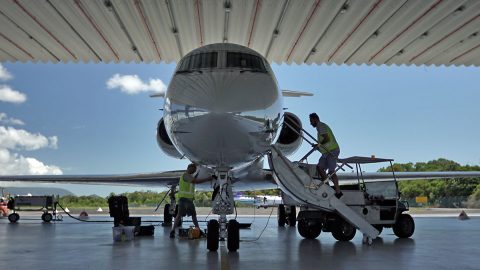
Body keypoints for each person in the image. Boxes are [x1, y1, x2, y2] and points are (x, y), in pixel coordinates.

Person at [170, 163, 214, 238]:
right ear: (189, 168)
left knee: (191, 216)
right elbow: (196, 181)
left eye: (195, 170)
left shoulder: (188, 176)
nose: (194, 171)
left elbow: (185, 187)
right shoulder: (186, 175)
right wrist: (208, 179)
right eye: (193, 169)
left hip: (189, 200)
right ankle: (173, 231)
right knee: (180, 215)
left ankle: (198, 230)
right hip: (184, 200)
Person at [309, 113, 343, 199]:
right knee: (320, 167)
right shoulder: (319, 128)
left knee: (331, 171)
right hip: (326, 153)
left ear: (315, 119)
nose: (310, 123)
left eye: (311, 121)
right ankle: (328, 186)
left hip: (332, 151)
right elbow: (323, 143)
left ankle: (338, 192)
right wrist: (317, 146)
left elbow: (327, 138)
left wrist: (318, 145)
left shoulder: (321, 126)